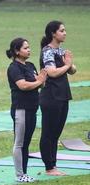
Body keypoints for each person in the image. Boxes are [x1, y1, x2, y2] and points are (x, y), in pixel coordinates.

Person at [6, 37, 47, 182]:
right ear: (17, 51)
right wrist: (39, 81)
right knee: (19, 142)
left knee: (26, 142)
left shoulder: (30, 65)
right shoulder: (14, 68)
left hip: (32, 108)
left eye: (29, 47)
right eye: (25, 48)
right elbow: (22, 86)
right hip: (20, 109)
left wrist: (41, 81)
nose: (29, 50)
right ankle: (19, 175)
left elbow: (38, 83)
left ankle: (24, 173)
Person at [39, 20, 76, 176]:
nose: (65, 33)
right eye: (61, 30)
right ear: (53, 33)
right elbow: (52, 72)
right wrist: (67, 66)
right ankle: (49, 167)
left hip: (62, 95)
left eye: (65, 30)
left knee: (56, 133)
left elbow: (72, 70)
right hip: (51, 96)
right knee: (49, 132)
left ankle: (53, 165)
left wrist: (69, 64)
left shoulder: (60, 50)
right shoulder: (48, 51)